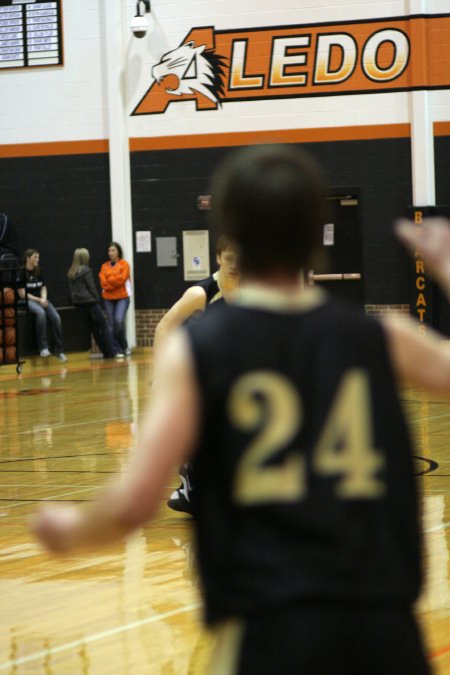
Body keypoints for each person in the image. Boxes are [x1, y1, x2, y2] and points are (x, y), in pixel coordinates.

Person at [33, 144, 450, 674]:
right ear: (313, 234)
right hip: (384, 628)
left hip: (267, 627)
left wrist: (67, 529)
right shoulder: (382, 336)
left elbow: (132, 505)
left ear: (231, 236)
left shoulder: (200, 352)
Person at [153, 235, 240, 514]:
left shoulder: (253, 292)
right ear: (218, 258)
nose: (236, 264)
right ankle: (190, 482)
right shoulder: (201, 294)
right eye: (229, 258)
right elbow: (164, 327)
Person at [67, 248, 124, 360]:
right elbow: (91, 287)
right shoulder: (86, 270)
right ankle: (112, 352)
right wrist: (97, 299)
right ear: (85, 258)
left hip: (78, 303)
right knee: (104, 326)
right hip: (90, 302)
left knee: (94, 329)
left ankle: (106, 352)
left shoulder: (71, 271)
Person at [20, 248, 67, 362]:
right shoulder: (21, 272)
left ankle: (59, 350)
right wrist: (39, 300)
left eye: (38, 257)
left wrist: (44, 298)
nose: (37, 259)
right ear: (28, 258)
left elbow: (43, 287)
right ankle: (43, 348)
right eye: (35, 257)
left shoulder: (39, 271)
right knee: (41, 313)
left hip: (41, 299)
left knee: (56, 318)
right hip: (27, 300)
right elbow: (22, 294)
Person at [99, 242, 131, 356]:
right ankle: (116, 349)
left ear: (118, 252)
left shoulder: (124, 264)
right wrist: (113, 282)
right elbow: (103, 283)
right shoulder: (104, 266)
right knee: (111, 324)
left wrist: (110, 281)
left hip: (122, 297)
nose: (111, 253)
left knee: (118, 321)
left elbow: (122, 279)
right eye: (109, 251)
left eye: (113, 250)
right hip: (108, 298)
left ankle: (124, 346)